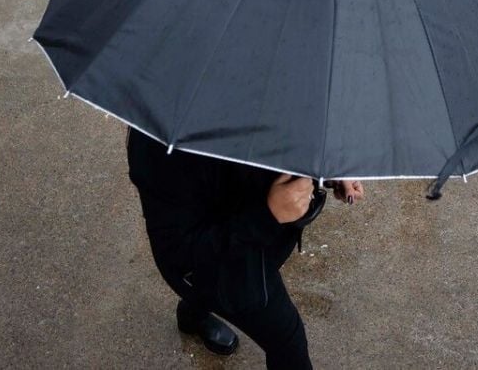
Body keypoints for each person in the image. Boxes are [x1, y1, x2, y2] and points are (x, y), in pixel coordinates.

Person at [126, 128, 363, 369]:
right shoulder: (158, 148)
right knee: (287, 340)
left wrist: (325, 170)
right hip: (215, 263)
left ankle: (191, 316)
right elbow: (183, 252)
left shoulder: (273, 101)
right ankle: (194, 308)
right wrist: (268, 215)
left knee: (204, 297)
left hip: (255, 240)